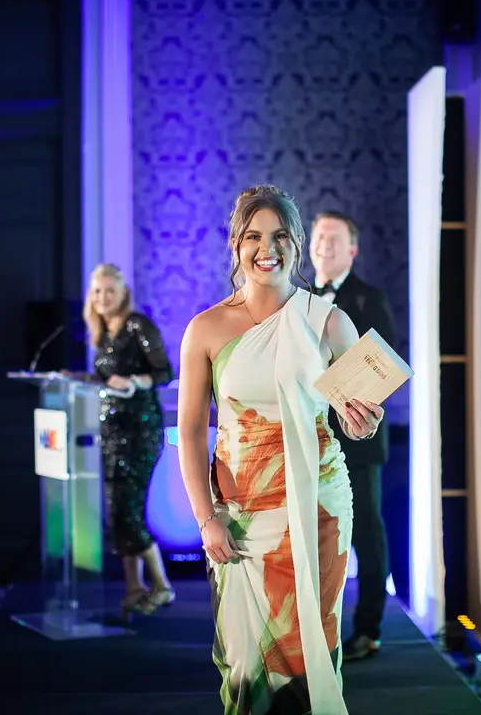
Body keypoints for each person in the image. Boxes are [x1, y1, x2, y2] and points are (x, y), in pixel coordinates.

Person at [177, 186, 384, 715]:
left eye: (279, 236)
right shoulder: (204, 329)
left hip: (318, 509)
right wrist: (206, 519)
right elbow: (192, 432)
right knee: (246, 666)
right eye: (253, 236)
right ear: (235, 244)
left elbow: (354, 420)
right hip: (240, 517)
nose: (266, 248)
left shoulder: (329, 321)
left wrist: (361, 424)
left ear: (295, 245)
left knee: (313, 653)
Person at [308, 210, 397, 662]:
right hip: (308, 439)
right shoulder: (295, 299)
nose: (324, 243)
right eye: (319, 235)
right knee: (315, 540)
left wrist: (347, 397)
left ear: (352, 250)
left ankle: (369, 628)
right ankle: (319, 631)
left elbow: (386, 368)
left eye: (334, 238)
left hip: (358, 442)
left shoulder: (368, 299)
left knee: (366, 534)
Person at [84, 263, 176, 618]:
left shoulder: (138, 325)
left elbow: (164, 371)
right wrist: (81, 377)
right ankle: (134, 588)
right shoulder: (102, 333)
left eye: (109, 290)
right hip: (111, 431)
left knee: (128, 511)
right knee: (116, 510)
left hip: (140, 430)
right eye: (96, 291)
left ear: (123, 293)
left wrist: (135, 382)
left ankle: (162, 585)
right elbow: (105, 376)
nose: (102, 297)